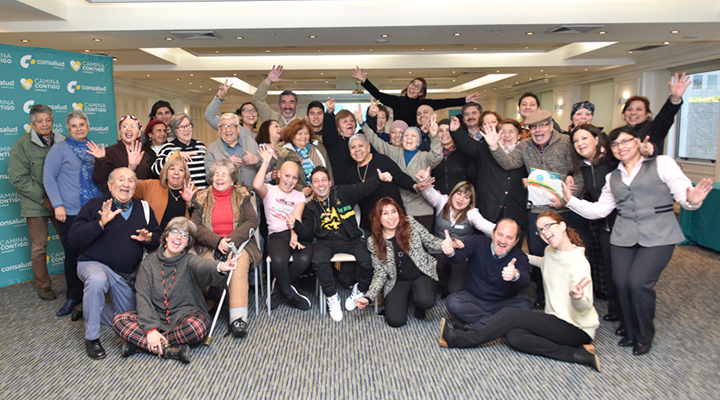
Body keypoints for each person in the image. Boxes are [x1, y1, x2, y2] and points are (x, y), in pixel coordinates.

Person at [563, 126, 713, 356]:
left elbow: (685, 195)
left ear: (638, 142)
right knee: (621, 282)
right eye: (615, 144)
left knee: (638, 282)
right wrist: (570, 200)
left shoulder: (662, 163)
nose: (621, 147)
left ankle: (644, 334)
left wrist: (692, 200)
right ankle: (630, 331)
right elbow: (600, 210)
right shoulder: (613, 177)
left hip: (660, 233)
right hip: (623, 235)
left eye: (626, 141)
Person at [438, 212, 601, 373]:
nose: (544, 232)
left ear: (563, 226)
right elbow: (542, 262)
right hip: (554, 321)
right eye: (540, 229)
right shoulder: (551, 252)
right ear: (493, 233)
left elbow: (584, 307)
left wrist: (577, 298)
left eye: (548, 226)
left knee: (516, 314)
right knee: (514, 336)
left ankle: (460, 338)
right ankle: (577, 354)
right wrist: (451, 251)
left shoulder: (579, 263)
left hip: (577, 328)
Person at [484, 109, 587, 310]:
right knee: (539, 252)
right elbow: (509, 163)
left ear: (551, 125)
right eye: (533, 127)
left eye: (542, 125)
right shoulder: (525, 145)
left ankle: (575, 294)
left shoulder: (566, 142)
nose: (538, 130)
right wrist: (494, 146)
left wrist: (567, 201)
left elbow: (579, 170)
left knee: (571, 253)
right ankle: (543, 294)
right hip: (537, 209)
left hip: (567, 209)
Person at [113, 217, 239, 364]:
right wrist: (151, 330)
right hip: (155, 317)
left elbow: (203, 265)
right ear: (166, 237)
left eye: (184, 235)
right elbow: (143, 299)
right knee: (119, 320)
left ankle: (142, 345)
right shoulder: (148, 264)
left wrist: (220, 267)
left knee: (197, 327)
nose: (179, 237)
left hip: (184, 317)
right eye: (175, 232)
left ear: (187, 243)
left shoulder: (190, 261)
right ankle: (171, 350)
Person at [68, 167, 161, 360]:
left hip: (124, 275)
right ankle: (92, 338)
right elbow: (74, 239)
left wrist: (149, 238)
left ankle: (88, 308)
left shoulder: (144, 208)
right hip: (93, 264)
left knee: (130, 318)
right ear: (110, 185)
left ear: (135, 186)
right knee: (97, 280)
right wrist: (100, 224)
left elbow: (157, 239)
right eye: (121, 180)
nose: (126, 184)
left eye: (131, 180)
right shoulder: (95, 205)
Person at [294, 166, 393, 322]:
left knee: (368, 258)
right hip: (324, 242)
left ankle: (360, 290)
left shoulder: (342, 192)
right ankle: (332, 298)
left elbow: (363, 188)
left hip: (350, 238)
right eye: (316, 181)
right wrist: (295, 225)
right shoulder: (310, 207)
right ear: (311, 186)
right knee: (318, 260)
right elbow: (307, 234)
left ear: (330, 182)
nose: (321, 184)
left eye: (324, 180)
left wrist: (379, 179)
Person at [190, 159, 261, 338]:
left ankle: (238, 318)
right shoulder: (201, 197)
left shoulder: (242, 195)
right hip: (211, 246)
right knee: (203, 269)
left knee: (237, 268)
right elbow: (195, 226)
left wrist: (231, 242)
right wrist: (217, 241)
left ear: (232, 180)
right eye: (216, 174)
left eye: (224, 175)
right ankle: (214, 296)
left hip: (240, 245)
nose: (219, 178)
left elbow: (252, 221)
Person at [43, 111, 103, 318]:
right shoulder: (59, 149)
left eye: (82, 124)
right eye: (74, 126)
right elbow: (48, 177)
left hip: (95, 210)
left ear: (88, 126)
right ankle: (73, 297)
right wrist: (57, 205)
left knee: (96, 253)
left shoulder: (94, 148)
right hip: (70, 211)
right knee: (73, 254)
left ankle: (93, 295)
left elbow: (103, 176)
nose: (79, 128)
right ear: (68, 129)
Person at [8, 105, 65, 305]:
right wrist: (44, 198)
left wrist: (59, 199)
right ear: (32, 124)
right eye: (40, 121)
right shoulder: (21, 145)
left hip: (62, 203)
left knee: (71, 242)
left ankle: (77, 280)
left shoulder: (63, 141)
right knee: (39, 248)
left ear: (52, 121)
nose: (44, 124)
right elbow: (18, 178)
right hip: (36, 204)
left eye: (48, 120)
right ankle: (44, 285)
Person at [357, 198, 443, 327]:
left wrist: (446, 245)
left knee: (425, 301)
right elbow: (380, 273)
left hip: (420, 274)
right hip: (397, 281)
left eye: (394, 211)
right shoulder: (373, 242)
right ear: (378, 218)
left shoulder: (410, 224)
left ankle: (418, 302)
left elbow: (430, 241)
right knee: (395, 321)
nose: (391, 217)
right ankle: (406, 297)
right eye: (385, 213)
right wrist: (368, 297)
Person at [569, 124, 621, 322]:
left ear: (597, 139)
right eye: (576, 140)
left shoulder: (612, 160)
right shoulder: (583, 165)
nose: (580, 143)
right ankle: (615, 310)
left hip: (623, 222)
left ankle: (628, 315)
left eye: (584, 138)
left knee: (623, 272)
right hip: (603, 223)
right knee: (610, 268)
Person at [448, 117, 528, 246]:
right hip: (488, 212)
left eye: (511, 131)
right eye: (503, 131)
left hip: (515, 212)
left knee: (513, 253)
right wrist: (456, 130)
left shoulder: (525, 154)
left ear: (519, 135)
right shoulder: (485, 149)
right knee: (484, 251)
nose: (506, 135)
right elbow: (468, 145)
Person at [357, 110, 442, 230]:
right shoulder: (395, 152)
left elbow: (437, 156)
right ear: (402, 140)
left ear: (419, 141)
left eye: (413, 136)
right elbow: (376, 141)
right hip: (399, 211)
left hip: (421, 211)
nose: (409, 138)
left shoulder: (425, 156)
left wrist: (434, 136)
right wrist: (362, 123)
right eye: (406, 135)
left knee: (423, 242)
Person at [443, 218, 532, 328]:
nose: (503, 241)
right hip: (473, 299)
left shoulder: (519, 256)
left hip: (502, 303)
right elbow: (458, 256)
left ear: (516, 241)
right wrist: (450, 252)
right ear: (493, 233)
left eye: (509, 237)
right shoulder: (478, 241)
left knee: (525, 306)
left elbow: (526, 281)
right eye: (500, 234)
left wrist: (515, 275)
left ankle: (481, 325)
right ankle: (496, 325)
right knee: (453, 302)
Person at [253, 145, 312, 310]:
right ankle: (290, 294)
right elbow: (256, 185)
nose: (290, 181)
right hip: (277, 236)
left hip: (294, 232)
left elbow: (296, 218)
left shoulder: (299, 196)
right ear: (279, 174)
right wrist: (265, 162)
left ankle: (277, 289)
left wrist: (294, 236)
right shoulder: (269, 190)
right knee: (279, 261)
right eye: (287, 176)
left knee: (304, 258)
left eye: (294, 178)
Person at [416, 175, 495, 294]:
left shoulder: (471, 213)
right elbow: (428, 192)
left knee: (455, 290)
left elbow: (487, 227)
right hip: (438, 250)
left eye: (466, 197)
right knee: (433, 282)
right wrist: (424, 180)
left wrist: (504, 232)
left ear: (470, 202)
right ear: (452, 194)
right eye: (459, 194)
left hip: (460, 254)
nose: (461, 199)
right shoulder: (443, 202)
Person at [351, 66, 481, 126]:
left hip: (416, 138)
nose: (413, 87)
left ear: (421, 92)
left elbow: (444, 102)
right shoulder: (397, 101)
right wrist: (365, 81)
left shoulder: (424, 105)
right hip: (398, 137)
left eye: (418, 87)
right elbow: (378, 94)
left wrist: (464, 100)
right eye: (412, 84)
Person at [345, 133, 420, 234]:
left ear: (368, 147)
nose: (357, 150)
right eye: (353, 147)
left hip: (392, 219)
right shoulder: (351, 172)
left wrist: (415, 186)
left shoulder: (382, 160)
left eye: (360, 145)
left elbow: (400, 177)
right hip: (370, 223)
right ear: (350, 153)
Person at [623, 72, 691, 154]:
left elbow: (665, 116)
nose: (633, 112)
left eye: (639, 109)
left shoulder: (654, 128)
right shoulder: (620, 132)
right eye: (629, 109)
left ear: (647, 113)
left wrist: (675, 98)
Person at [89, 115, 153, 191]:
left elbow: (149, 182)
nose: (129, 129)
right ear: (120, 132)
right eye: (125, 126)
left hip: (140, 196)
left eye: (133, 127)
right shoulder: (109, 151)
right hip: (115, 196)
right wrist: (101, 160)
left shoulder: (144, 155)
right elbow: (99, 180)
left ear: (139, 133)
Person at [134, 156, 196, 230]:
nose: (176, 173)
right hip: (154, 235)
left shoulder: (193, 190)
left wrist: (190, 203)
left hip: (180, 236)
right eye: (172, 169)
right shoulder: (151, 185)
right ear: (166, 173)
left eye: (181, 170)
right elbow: (129, 186)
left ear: (185, 175)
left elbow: (197, 223)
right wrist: (131, 167)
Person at [276, 119, 333, 196]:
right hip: (298, 196)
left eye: (306, 133)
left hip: (323, 193)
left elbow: (329, 169)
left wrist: (331, 189)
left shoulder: (318, 146)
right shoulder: (284, 152)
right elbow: (279, 178)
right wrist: (301, 189)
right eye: (299, 133)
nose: (303, 136)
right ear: (292, 135)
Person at [152, 113, 208, 189]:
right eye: (181, 127)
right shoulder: (168, 148)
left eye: (188, 125)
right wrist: (177, 155)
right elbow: (155, 170)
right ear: (174, 130)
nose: (186, 129)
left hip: (203, 193)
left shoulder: (201, 146)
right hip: (181, 194)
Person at [205, 112, 260, 187]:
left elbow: (266, 170)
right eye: (224, 126)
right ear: (219, 129)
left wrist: (257, 161)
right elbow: (208, 179)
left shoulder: (250, 142)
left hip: (251, 193)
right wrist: (227, 164)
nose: (228, 130)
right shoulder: (212, 149)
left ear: (238, 128)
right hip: (225, 194)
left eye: (232, 126)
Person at [430, 118, 475, 195]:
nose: (444, 134)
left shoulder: (464, 152)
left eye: (448, 130)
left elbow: (473, 178)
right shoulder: (432, 154)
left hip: (461, 198)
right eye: (440, 131)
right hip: (438, 199)